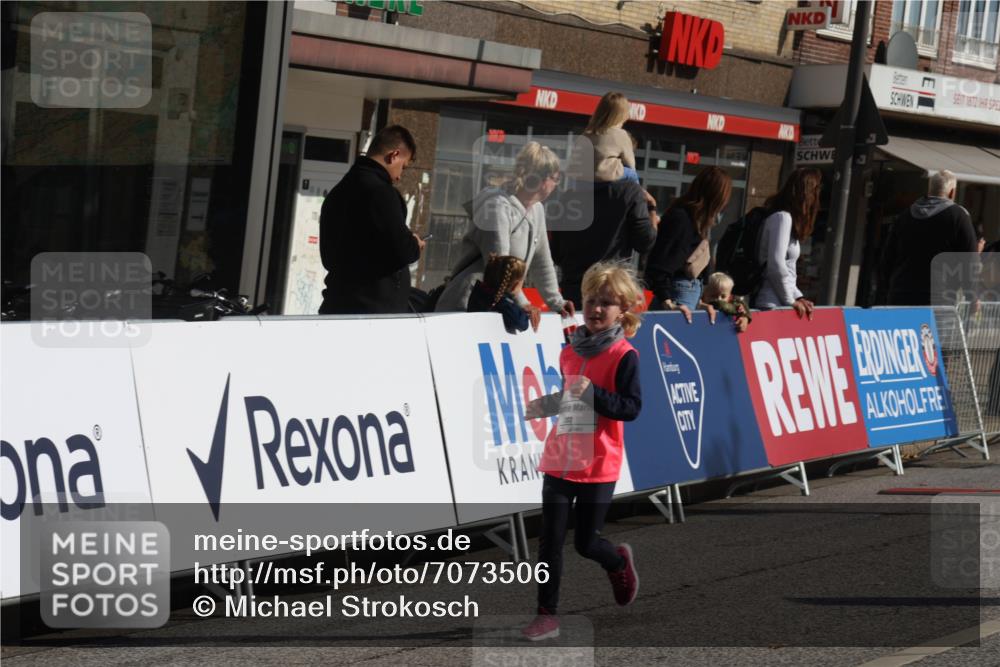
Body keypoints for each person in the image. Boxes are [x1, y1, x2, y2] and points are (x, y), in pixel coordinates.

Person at [521, 262, 644, 641]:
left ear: (622, 310)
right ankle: (546, 615)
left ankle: (617, 562)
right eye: (592, 300)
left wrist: (593, 393)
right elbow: (573, 397)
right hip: (561, 455)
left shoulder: (625, 355)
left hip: (599, 461)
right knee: (550, 542)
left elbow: (630, 408)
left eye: (606, 303)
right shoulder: (570, 350)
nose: (596, 309)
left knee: (586, 543)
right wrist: (545, 406)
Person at [435, 142, 574, 321]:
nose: (557, 184)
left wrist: (557, 302)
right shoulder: (497, 206)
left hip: (497, 304)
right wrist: (523, 303)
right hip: (468, 302)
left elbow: (542, 262)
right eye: (556, 178)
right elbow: (500, 266)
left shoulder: (536, 209)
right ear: (542, 179)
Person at [318, 125, 425, 315]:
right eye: (403, 166)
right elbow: (402, 249)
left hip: (337, 303)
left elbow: (328, 258)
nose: (399, 176)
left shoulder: (338, 192)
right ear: (394, 155)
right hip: (372, 312)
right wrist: (414, 244)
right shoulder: (381, 193)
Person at [644, 166, 732, 319]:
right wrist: (668, 302)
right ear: (716, 197)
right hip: (679, 296)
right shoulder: (683, 219)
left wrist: (699, 303)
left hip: (685, 297)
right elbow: (659, 266)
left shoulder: (693, 220)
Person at [880, 170, 978, 306]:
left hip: (900, 295)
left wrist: (889, 289)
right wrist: (971, 297)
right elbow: (969, 260)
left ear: (929, 189)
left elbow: (887, 258)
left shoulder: (905, 215)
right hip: (938, 299)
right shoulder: (958, 216)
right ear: (952, 192)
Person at [753, 167, 821, 319]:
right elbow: (776, 265)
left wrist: (798, 297)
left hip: (780, 302)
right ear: (806, 193)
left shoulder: (786, 219)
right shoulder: (782, 218)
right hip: (771, 303)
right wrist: (790, 300)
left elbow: (788, 269)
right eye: (815, 191)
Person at [466, 255, 530, 333]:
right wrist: (524, 313)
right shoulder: (502, 303)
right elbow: (521, 324)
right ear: (515, 285)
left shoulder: (480, 292)